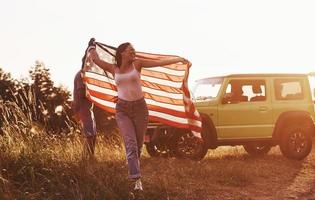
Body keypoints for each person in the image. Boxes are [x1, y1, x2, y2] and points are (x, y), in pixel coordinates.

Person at [88, 42, 188, 193]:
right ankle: (136, 179)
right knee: (130, 143)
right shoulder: (113, 68)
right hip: (122, 110)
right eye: (130, 50)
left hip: (140, 110)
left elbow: (158, 63)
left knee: (138, 146)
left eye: (133, 50)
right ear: (122, 53)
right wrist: (92, 47)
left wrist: (178, 59)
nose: (133, 52)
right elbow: (96, 60)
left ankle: (133, 164)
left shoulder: (138, 64)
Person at [73, 39, 97, 160]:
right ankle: (86, 158)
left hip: (88, 109)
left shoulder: (87, 75)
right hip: (83, 110)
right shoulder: (82, 75)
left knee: (93, 134)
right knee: (89, 135)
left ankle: (90, 157)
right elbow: (81, 93)